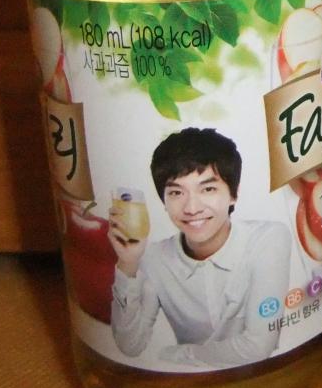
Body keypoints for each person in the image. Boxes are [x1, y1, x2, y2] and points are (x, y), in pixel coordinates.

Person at [108, 127, 291, 367]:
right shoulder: (154, 258)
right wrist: (128, 264)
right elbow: (130, 346)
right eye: (176, 192)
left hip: (272, 372)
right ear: (164, 201)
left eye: (208, 189)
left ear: (233, 194)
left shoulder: (267, 239)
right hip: (182, 384)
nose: (192, 208)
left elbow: (259, 345)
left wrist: (179, 354)